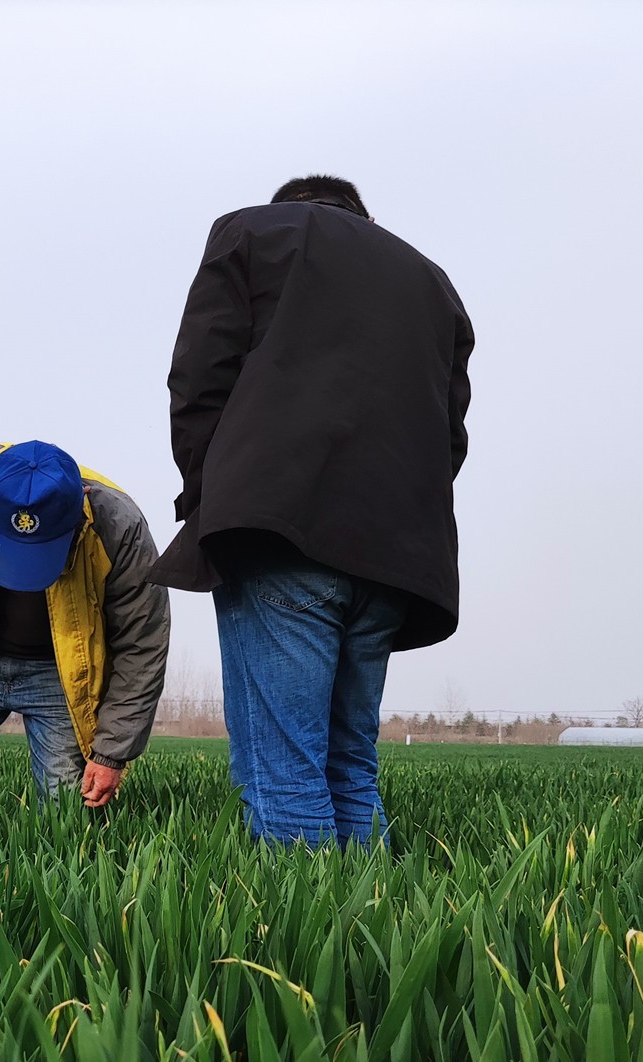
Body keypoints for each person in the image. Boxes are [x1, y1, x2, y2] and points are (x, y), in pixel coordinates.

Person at [151, 174, 473, 846]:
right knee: (351, 765)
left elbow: (200, 379)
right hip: (395, 560)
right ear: (366, 217)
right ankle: (379, 943)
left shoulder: (250, 232)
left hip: (279, 536)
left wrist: (211, 500)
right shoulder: (434, 285)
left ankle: (305, 951)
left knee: (285, 771)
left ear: (288, 207)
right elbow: (450, 436)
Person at [0, 440, 169, 813]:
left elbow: (142, 644)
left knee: (66, 806)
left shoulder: (120, 526)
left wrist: (112, 753)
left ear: (82, 499)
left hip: (63, 675)